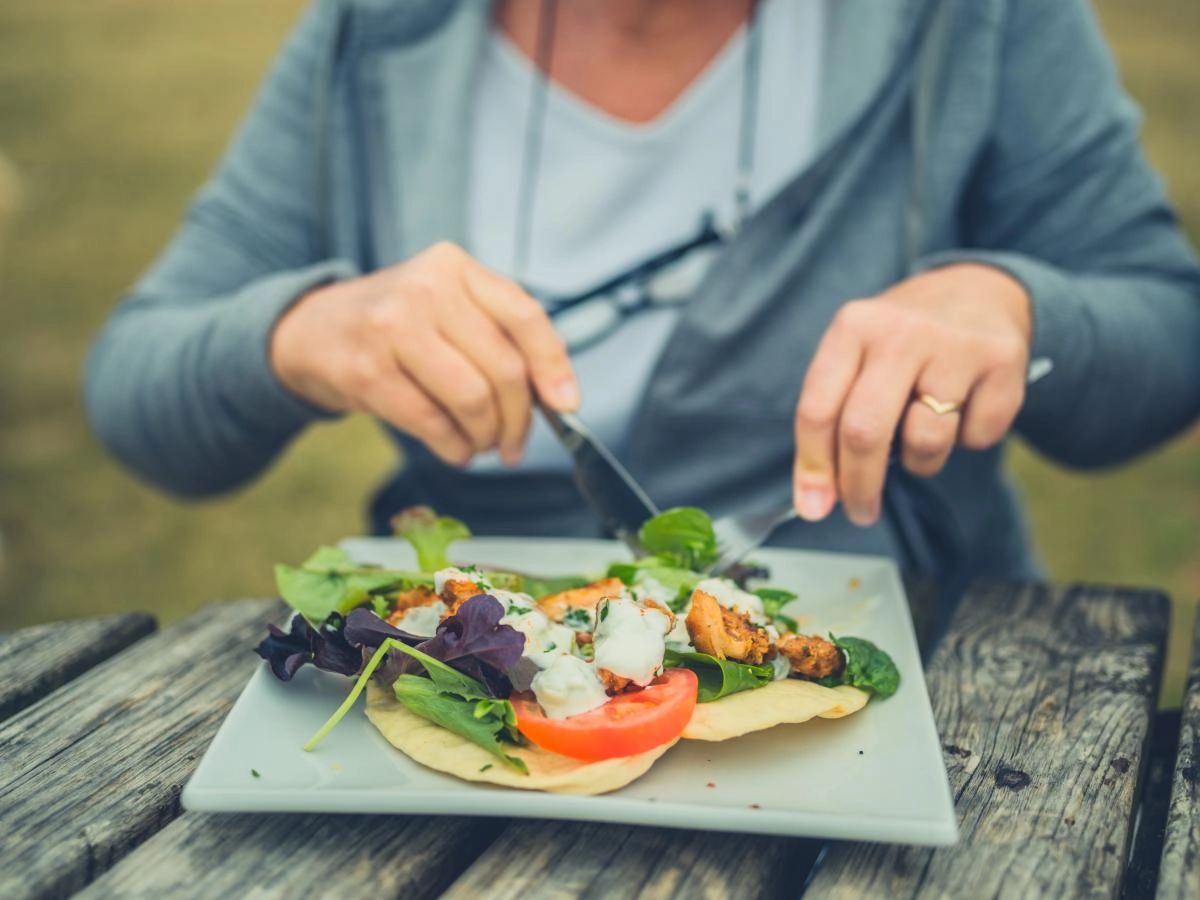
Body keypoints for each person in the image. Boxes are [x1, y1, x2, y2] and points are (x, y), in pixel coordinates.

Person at [84, 0, 1200, 608]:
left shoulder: (973, 23)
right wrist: (299, 334)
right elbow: (137, 390)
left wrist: (1013, 303)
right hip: (475, 668)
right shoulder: (372, 34)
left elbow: (1167, 331)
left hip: (909, 659)